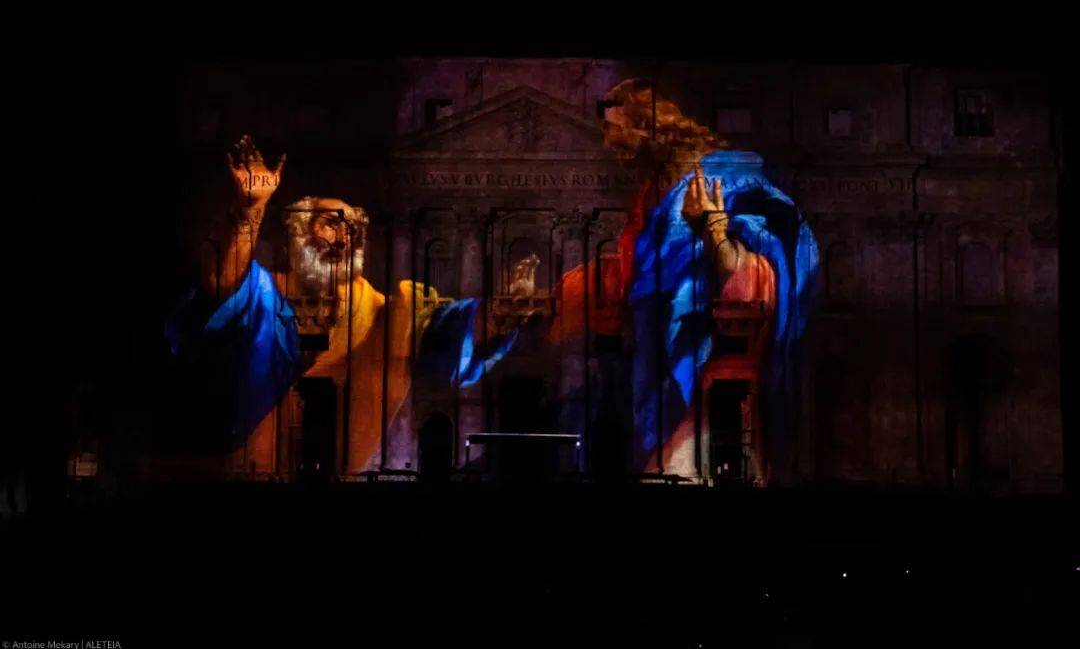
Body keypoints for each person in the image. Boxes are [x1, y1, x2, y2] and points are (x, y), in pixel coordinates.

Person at [165, 136, 516, 478]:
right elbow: (225, 286)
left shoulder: (384, 312)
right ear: (297, 235)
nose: (343, 237)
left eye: (352, 231)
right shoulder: (263, 293)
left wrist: (499, 313)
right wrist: (250, 211)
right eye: (332, 224)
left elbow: (446, 327)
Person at [555, 79, 818, 485]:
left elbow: (760, 270)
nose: (609, 142)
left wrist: (713, 229)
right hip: (655, 365)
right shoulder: (650, 196)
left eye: (615, 130)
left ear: (649, 127)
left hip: (709, 370)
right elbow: (635, 276)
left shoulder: (728, 178)